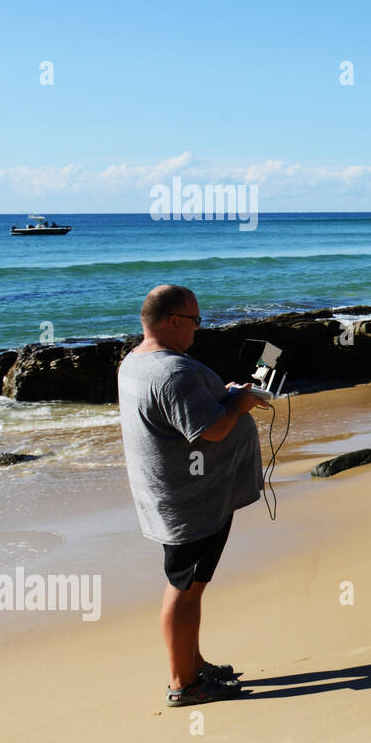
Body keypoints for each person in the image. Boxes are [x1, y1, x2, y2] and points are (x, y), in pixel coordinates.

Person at [117, 284, 266, 707]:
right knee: (186, 589)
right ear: (173, 321)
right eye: (196, 320)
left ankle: (193, 664)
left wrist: (226, 396)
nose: (199, 329)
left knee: (187, 585)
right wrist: (240, 403)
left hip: (172, 494)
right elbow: (210, 431)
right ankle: (185, 684)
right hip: (191, 501)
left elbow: (179, 414)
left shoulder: (135, 361)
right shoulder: (173, 372)